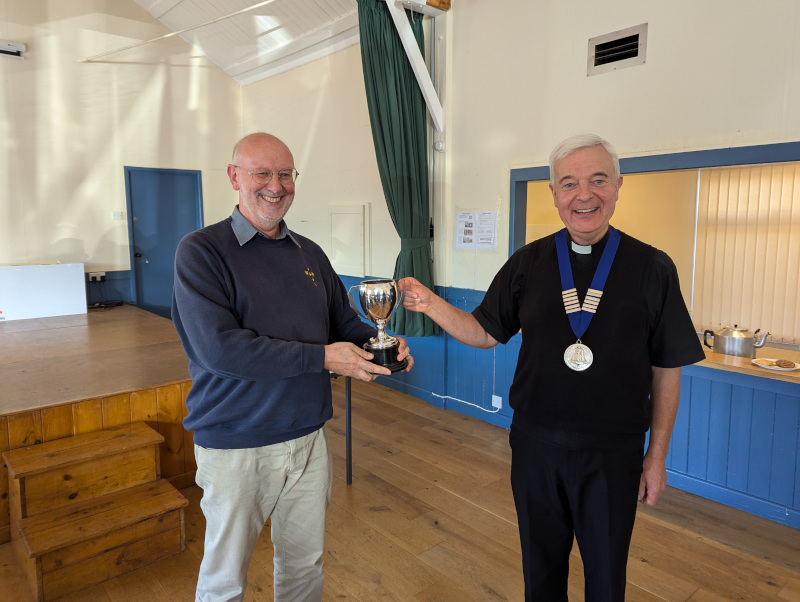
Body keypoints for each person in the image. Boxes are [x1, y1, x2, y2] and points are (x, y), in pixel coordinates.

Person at [399, 134, 704, 601]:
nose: (584, 195)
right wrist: (430, 303)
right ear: (554, 193)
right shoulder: (528, 263)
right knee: (540, 572)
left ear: (618, 185)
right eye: (569, 184)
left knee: (606, 577)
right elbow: (484, 333)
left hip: (613, 453)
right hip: (536, 446)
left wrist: (656, 457)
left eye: (598, 180)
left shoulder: (653, 268)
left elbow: (667, 368)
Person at [172, 132, 413, 602]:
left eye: (285, 174)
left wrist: (381, 346)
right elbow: (220, 351)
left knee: (304, 568)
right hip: (236, 445)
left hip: (307, 441)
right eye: (262, 174)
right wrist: (322, 357)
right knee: (225, 581)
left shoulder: (309, 253)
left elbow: (342, 324)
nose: (276, 186)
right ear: (234, 177)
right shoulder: (201, 251)